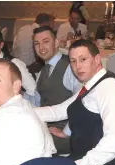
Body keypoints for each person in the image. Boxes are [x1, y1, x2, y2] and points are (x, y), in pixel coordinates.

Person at [33, 39, 115, 165]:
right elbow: (62, 110)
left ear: (97, 59)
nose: (77, 66)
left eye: (83, 59)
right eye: (73, 61)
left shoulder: (110, 88)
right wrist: (23, 111)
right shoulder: (91, 86)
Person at [28, 25, 82, 154]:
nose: (41, 48)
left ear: (56, 43)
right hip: (44, 127)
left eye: (46, 42)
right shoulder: (42, 72)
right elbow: (36, 102)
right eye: (37, 44)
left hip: (65, 135)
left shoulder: (70, 67)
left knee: (24, 144)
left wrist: (67, 132)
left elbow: (81, 102)